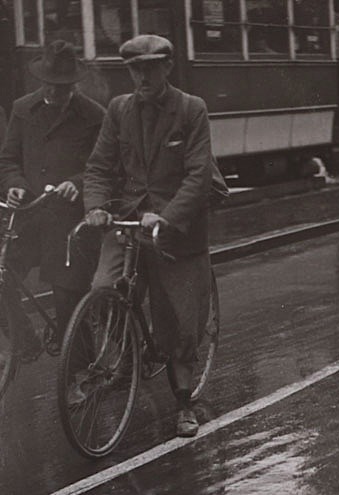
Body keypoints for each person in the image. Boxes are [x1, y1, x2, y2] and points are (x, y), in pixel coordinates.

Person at [83, 34, 213, 438]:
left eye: (151, 68)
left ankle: (184, 403)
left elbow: (198, 175)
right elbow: (99, 166)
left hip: (175, 230)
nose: (143, 76)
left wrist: (167, 217)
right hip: (128, 223)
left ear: (167, 68)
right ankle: (127, 353)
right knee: (103, 288)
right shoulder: (119, 109)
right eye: (136, 69)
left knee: (179, 321)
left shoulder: (191, 109)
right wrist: (96, 206)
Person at [0, 40, 105, 359]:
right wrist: (14, 184)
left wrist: (78, 183)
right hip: (30, 217)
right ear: (41, 80)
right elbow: (8, 160)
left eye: (63, 87)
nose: (55, 93)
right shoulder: (22, 109)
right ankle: (25, 340)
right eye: (50, 85)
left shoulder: (93, 115)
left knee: (68, 300)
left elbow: (104, 166)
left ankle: (82, 377)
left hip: (70, 225)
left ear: (74, 84)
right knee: (2, 277)